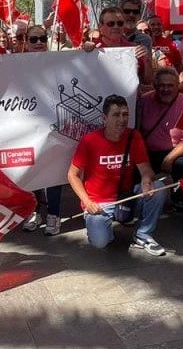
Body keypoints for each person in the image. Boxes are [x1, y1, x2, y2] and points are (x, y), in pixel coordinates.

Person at [67, 95, 167, 255]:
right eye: (116, 115)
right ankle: (100, 226)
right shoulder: (89, 141)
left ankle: (143, 234)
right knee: (100, 242)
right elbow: (73, 175)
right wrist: (87, 202)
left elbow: (145, 169)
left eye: (125, 114)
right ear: (104, 118)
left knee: (159, 188)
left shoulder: (134, 136)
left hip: (126, 196)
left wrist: (147, 179)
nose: (122, 119)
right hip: (98, 203)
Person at [16, 25, 64, 235]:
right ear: (25, 41)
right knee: (31, 168)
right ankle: (32, 210)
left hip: (54, 126)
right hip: (27, 126)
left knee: (54, 170)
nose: (38, 43)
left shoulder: (58, 62)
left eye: (42, 38)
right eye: (33, 39)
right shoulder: (16, 64)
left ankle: (54, 214)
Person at [138, 67, 183, 185]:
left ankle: (179, 200)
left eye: (170, 85)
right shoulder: (144, 101)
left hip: (177, 153)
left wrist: (169, 159)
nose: (166, 89)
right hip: (148, 154)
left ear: (177, 86)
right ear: (155, 86)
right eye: (162, 85)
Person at [82, 7, 153, 84]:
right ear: (100, 27)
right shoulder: (92, 48)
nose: (116, 27)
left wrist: (147, 60)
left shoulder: (134, 49)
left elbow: (148, 81)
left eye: (120, 23)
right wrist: (83, 53)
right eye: (111, 24)